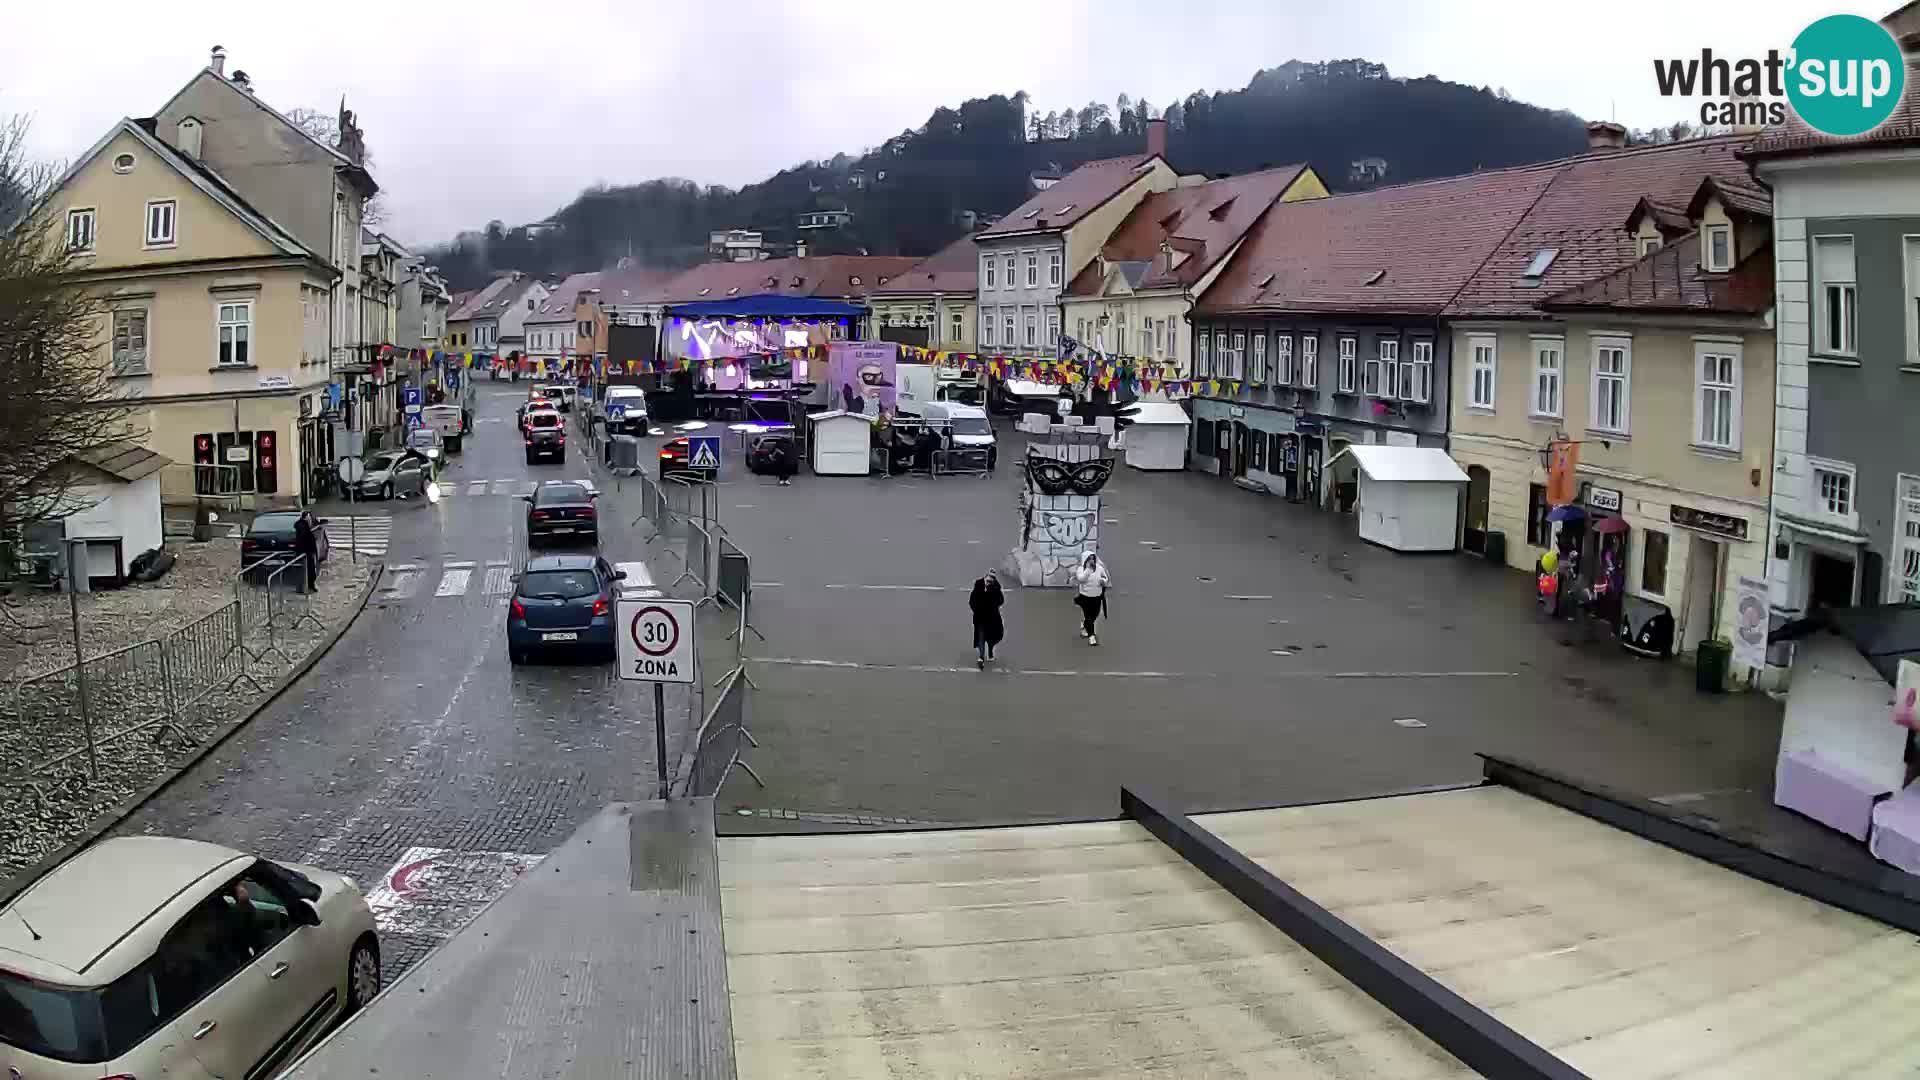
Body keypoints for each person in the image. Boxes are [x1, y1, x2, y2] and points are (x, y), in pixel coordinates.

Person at [1071, 552, 1110, 646]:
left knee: (1095, 614)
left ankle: (1084, 624)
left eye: (1093, 558)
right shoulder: (1081, 569)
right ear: (1085, 560)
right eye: (1089, 559)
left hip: (1097, 597)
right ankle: (1091, 637)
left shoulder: (1099, 568)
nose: (1091, 561)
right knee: (1088, 616)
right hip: (1085, 597)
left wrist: (1103, 581)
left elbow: (1105, 578)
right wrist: (1088, 569)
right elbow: (1081, 579)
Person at [969, 570, 1005, 668]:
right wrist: (976, 610)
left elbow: (1001, 600)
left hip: (992, 618)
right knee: (981, 637)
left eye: (991, 581)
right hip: (980, 618)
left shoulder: (996, 588)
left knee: (991, 638)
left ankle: (990, 651)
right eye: (987, 581)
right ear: (985, 579)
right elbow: (972, 600)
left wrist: (992, 592)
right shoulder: (978, 586)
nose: (988, 583)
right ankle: (981, 657)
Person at [293, 513, 319, 593]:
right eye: (309, 518)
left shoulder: (304, 525)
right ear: (306, 518)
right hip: (306, 552)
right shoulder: (302, 525)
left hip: (307, 552)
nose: (310, 520)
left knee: (309, 570)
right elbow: (302, 538)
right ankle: (306, 587)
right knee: (308, 570)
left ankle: (308, 586)